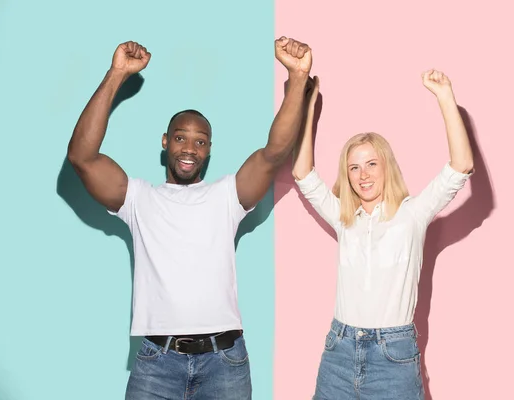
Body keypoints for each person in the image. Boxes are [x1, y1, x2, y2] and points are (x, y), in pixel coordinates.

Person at [67, 37, 312, 399]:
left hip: (224, 362)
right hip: (157, 362)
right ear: (165, 141)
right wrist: (117, 73)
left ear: (209, 149)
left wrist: (297, 78)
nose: (189, 149)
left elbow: (274, 154)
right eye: (181, 138)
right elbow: (82, 157)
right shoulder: (138, 198)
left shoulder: (226, 196)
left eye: (200, 142)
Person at [292, 70, 474, 399]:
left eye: (371, 164)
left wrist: (445, 97)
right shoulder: (344, 218)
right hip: (339, 352)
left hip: (394, 357)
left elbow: (461, 165)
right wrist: (308, 108)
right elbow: (302, 174)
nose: (363, 175)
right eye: (354, 167)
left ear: (386, 166)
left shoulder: (413, 214)